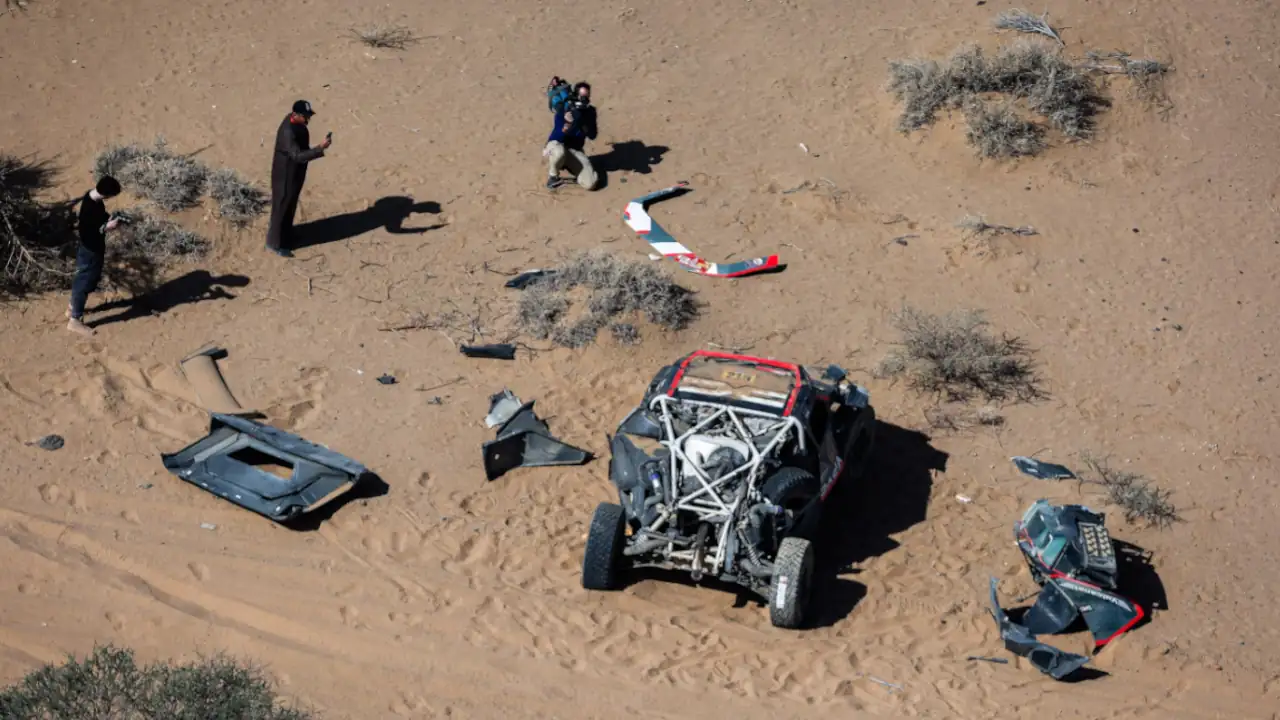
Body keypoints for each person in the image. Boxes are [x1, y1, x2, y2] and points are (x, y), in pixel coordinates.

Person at [266, 100, 331, 257]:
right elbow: (297, 156)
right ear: (296, 115)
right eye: (306, 116)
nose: (308, 119)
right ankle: (275, 243)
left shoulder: (296, 123)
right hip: (285, 176)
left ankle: (287, 235)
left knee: (290, 205)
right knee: (281, 208)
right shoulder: (288, 132)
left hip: (294, 174)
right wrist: (319, 149)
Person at [66, 176, 122, 337]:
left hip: (94, 249)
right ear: (106, 194)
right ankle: (75, 320)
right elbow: (91, 230)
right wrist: (107, 227)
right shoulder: (90, 208)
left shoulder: (92, 197)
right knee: (83, 283)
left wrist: (109, 219)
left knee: (89, 280)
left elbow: (98, 218)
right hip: (90, 250)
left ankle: (72, 307)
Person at [544, 82, 598, 190]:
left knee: (590, 183)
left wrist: (581, 122)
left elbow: (592, 135)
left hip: (574, 150)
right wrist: (567, 125)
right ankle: (553, 177)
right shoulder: (564, 109)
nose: (584, 99)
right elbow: (557, 136)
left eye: (586, 96)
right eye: (582, 96)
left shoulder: (590, 112)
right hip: (556, 145)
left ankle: (568, 164)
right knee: (559, 152)